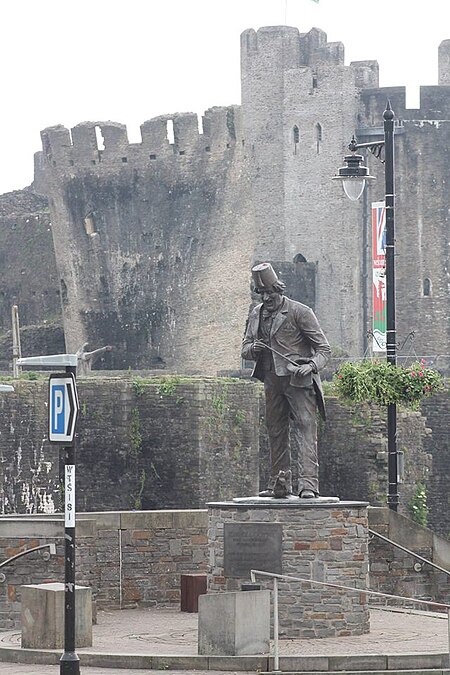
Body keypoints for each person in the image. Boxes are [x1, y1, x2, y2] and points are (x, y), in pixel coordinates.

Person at [241, 262, 331, 498]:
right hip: (271, 380)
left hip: (298, 381)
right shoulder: (255, 314)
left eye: (270, 292)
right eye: (262, 293)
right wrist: (255, 348)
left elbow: (324, 350)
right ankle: (279, 484)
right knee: (275, 430)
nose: (267, 297)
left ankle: (308, 485)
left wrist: (310, 366)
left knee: (305, 428)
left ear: (279, 289)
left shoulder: (300, 312)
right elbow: (245, 349)